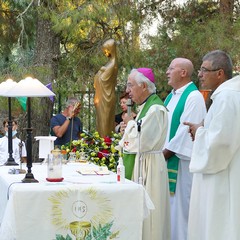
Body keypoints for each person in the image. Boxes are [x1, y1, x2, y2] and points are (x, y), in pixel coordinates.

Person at [184, 50, 240, 240]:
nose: (199, 74)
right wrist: (203, 128)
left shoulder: (227, 97)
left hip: (222, 176)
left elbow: (220, 143)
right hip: (229, 169)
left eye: (204, 70)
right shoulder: (229, 95)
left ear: (220, 73)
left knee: (218, 224)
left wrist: (199, 132)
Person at [119, 68, 171, 240]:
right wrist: (130, 126)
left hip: (150, 167)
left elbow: (140, 143)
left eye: (130, 85)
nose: (128, 91)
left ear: (143, 86)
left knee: (151, 220)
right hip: (143, 164)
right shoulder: (145, 107)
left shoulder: (155, 109)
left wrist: (130, 123)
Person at [163, 58, 206, 240]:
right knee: (170, 211)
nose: (167, 72)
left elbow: (185, 131)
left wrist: (164, 154)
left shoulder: (193, 97)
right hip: (166, 159)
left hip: (181, 164)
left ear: (183, 73)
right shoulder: (171, 96)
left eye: (171, 68)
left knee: (181, 211)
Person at [94, 39, 118, 137]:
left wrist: (100, 73)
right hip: (102, 96)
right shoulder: (110, 63)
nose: (105, 53)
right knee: (101, 121)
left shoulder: (113, 63)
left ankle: (105, 144)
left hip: (106, 97)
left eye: (106, 50)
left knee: (105, 121)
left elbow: (103, 80)